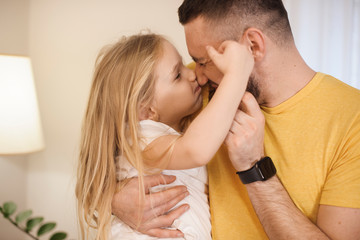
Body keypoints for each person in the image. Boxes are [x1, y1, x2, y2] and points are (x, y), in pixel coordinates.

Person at [111, 0, 360, 239]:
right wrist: (114, 199)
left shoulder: (352, 120)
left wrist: (254, 167)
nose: (196, 75)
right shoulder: (192, 94)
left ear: (252, 46)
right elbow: (108, 150)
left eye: (203, 62)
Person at [76, 32, 254, 240]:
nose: (192, 74)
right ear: (147, 111)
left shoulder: (175, 115)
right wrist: (236, 75)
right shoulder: (141, 138)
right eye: (177, 75)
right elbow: (196, 150)